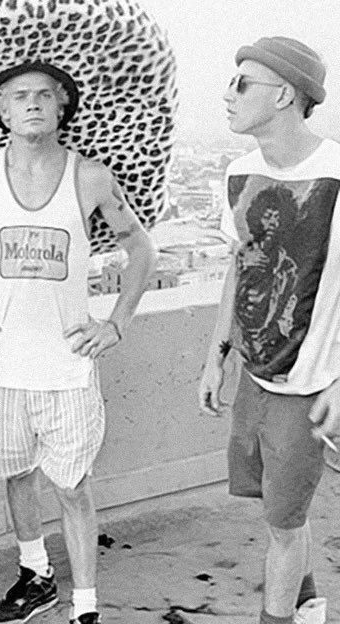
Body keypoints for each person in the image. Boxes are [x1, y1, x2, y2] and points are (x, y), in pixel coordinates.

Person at [0, 61, 156, 624]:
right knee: (17, 474)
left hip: (67, 364)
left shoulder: (91, 177)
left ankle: (85, 607)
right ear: (1, 109)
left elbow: (142, 250)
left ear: (61, 107)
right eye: (18, 96)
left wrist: (116, 322)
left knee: (73, 487)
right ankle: (36, 576)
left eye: (44, 96)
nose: (32, 103)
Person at [199, 37, 337, 624]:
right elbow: (240, 266)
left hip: (308, 386)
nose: (228, 94)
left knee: (283, 528)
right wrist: (216, 356)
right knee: (278, 511)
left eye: (243, 83)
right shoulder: (239, 173)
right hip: (256, 376)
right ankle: (309, 604)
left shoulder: (336, 176)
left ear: (284, 94)